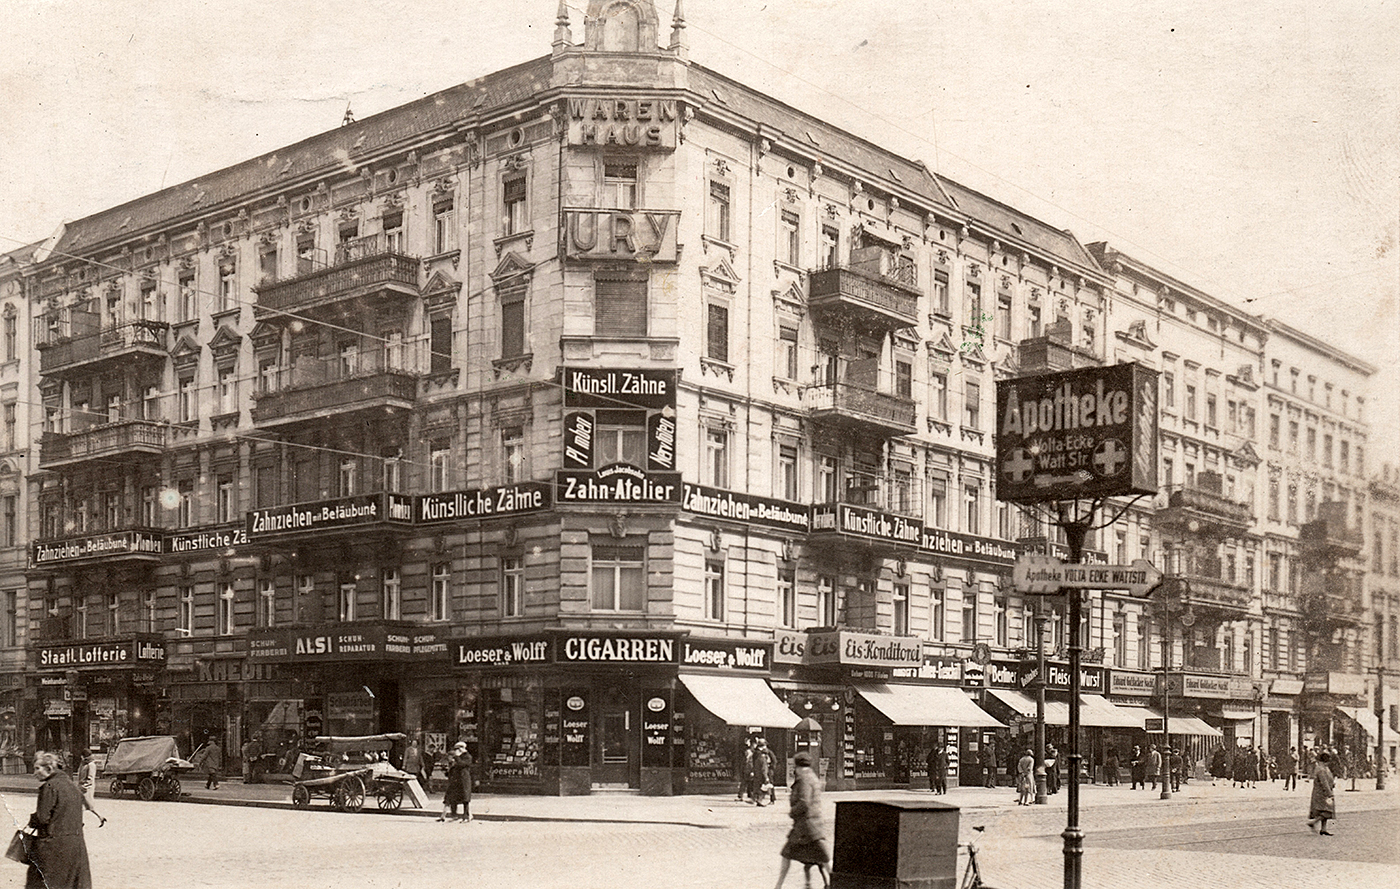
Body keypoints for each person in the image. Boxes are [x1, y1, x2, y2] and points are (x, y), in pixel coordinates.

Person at [27, 750, 94, 889]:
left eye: (37, 768)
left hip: (53, 847)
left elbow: (42, 818)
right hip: (76, 847)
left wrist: (32, 819)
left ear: (49, 768)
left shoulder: (49, 786)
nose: (35, 773)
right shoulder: (72, 786)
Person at [774, 752, 829, 889]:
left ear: (797, 765)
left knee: (788, 853)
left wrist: (792, 812)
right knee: (823, 858)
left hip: (806, 827)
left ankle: (779, 886)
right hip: (813, 824)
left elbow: (804, 802)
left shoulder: (804, 779)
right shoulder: (812, 777)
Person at [439, 741, 473, 822]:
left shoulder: (467, 756)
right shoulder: (457, 758)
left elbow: (462, 764)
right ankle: (454, 815)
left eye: (457, 749)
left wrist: (457, 757)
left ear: (462, 748)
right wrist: (447, 772)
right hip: (455, 780)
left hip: (464, 780)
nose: (456, 751)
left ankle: (466, 816)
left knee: (465, 799)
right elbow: (453, 768)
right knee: (452, 798)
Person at [1307, 750, 1336, 835]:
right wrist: (1329, 793)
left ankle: (1323, 829)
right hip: (1322, 793)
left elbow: (1328, 780)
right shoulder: (1321, 769)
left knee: (1324, 810)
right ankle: (1314, 822)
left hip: (1322, 792)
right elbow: (1324, 782)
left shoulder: (1324, 768)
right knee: (1327, 810)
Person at [753, 738, 775, 806]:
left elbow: (774, 761)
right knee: (764, 785)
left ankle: (771, 798)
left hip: (766, 770)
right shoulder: (758, 753)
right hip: (762, 770)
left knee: (767, 784)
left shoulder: (768, 752)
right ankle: (759, 799)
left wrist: (771, 768)